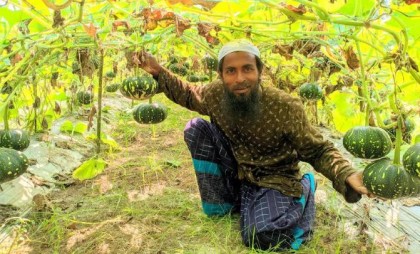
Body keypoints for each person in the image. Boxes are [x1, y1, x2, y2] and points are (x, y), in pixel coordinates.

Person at [133, 39, 371, 251]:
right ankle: (223, 202)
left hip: (274, 178)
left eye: (247, 69)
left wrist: (347, 174)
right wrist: (156, 70)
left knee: (261, 237)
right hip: (238, 169)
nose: (240, 78)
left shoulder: (285, 106)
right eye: (231, 71)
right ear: (221, 75)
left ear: (260, 70)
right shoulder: (216, 94)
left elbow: (317, 149)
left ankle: (304, 188)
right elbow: (187, 92)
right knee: (195, 128)